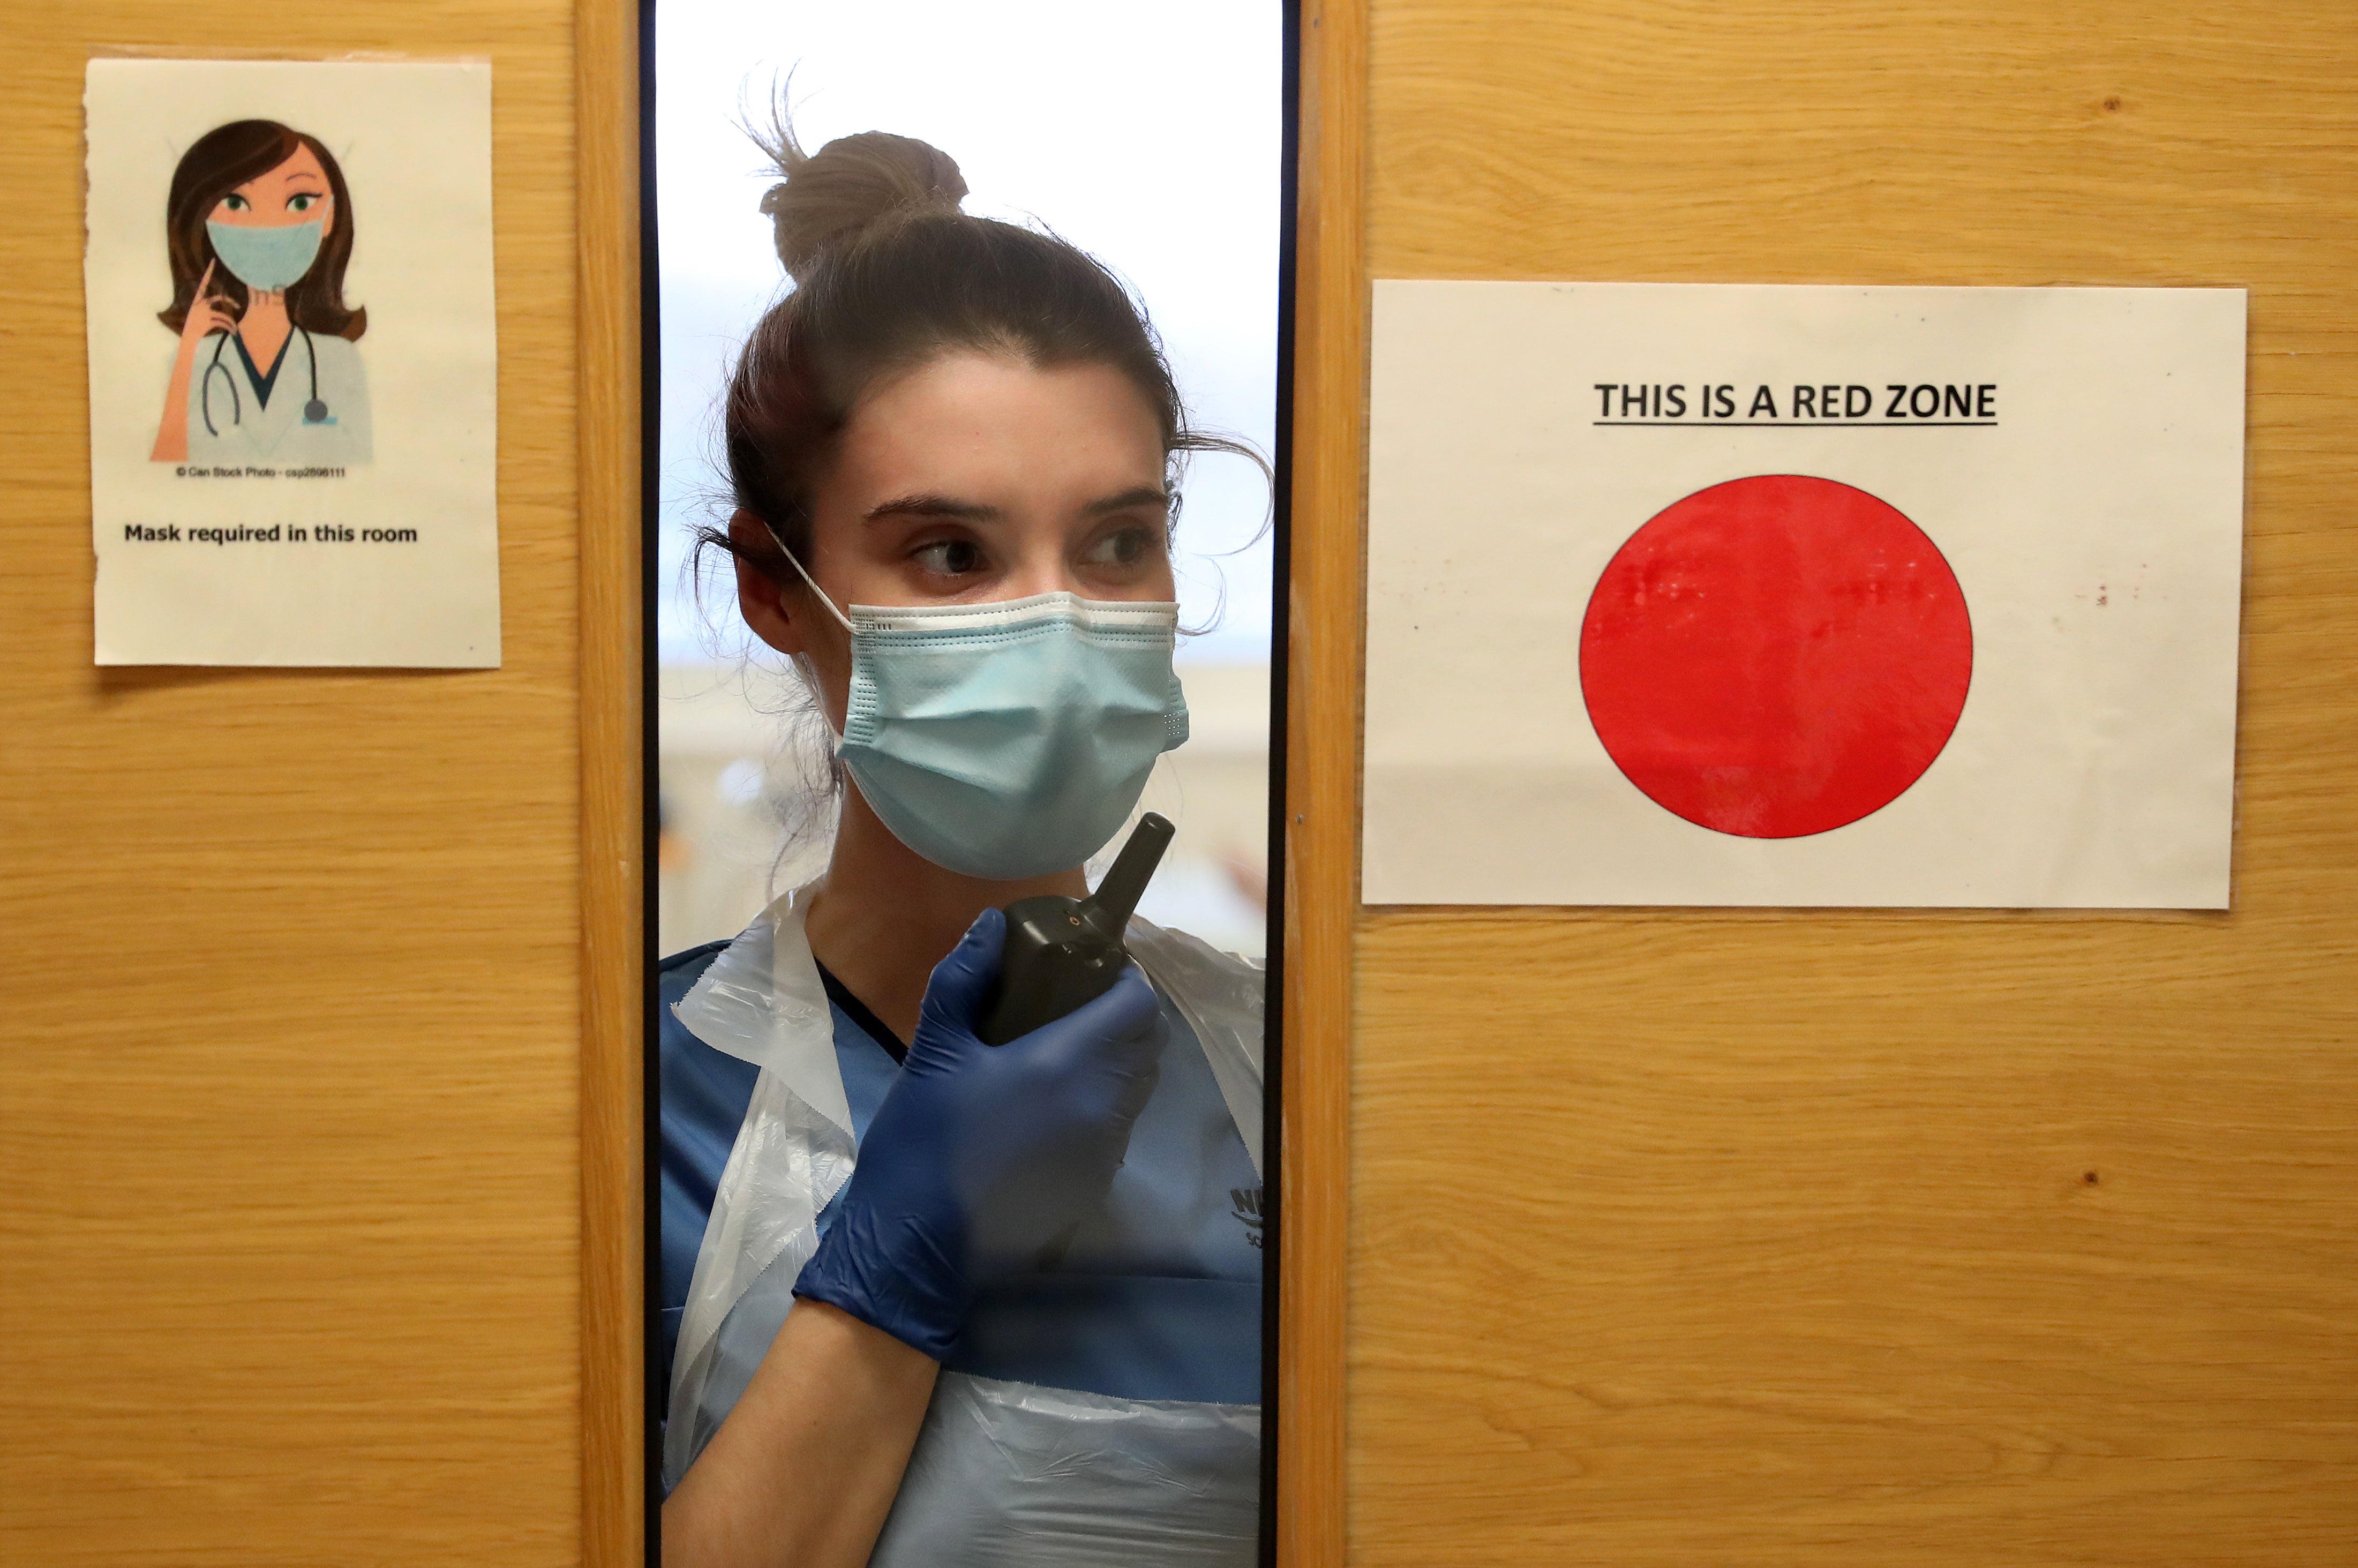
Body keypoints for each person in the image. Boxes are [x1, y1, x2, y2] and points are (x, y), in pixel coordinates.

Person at [657, 121, 1270, 1568]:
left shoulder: (1296, 1083)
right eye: (952, 553)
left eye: (1117, 544)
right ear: (773, 588)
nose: (1060, 621)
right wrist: (901, 1258)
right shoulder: (636, 1113)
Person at [150, 119, 373, 466]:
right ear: (201, 220)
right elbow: (164, 468)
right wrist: (189, 349)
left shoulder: (340, 361)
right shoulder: (193, 359)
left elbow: (363, 480)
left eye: (300, 203)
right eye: (236, 204)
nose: (268, 226)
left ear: (330, 218)